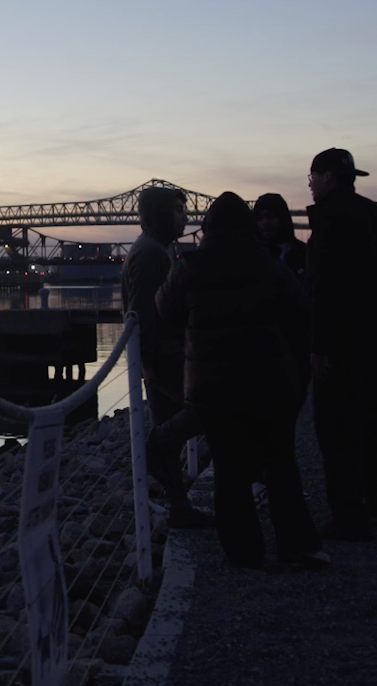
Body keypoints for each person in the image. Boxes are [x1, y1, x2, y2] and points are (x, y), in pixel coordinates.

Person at [156, 192, 326, 569]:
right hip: (272, 385)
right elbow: (302, 311)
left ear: (209, 228)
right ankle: (297, 547)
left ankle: (244, 553)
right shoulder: (268, 264)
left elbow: (165, 310)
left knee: (230, 471)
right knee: (280, 464)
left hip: (214, 389)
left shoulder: (190, 265)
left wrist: (198, 323)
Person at [305, 148, 377, 540]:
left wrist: (319, 346)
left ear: (329, 178)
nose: (311, 184)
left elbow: (327, 289)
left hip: (342, 340)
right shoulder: (372, 212)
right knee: (368, 422)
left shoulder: (330, 220)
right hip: (375, 337)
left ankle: (349, 517)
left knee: (334, 429)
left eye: (313, 177)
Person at [120, 186, 214, 527]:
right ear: (159, 214)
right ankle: (155, 449)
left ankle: (179, 507)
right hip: (165, 355)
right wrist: (154, 364)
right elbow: (145, 314)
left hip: (159, 355)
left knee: (170, 427)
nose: (185, 217)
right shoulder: (150, 255)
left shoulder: (155, 249)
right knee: (212, 411)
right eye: (177, 210)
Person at [252, 193, 307, 281]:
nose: (265, 222)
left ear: (282, 218)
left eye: (270, 216)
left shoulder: (305, 254)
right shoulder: (253, 257)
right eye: (259, 218)